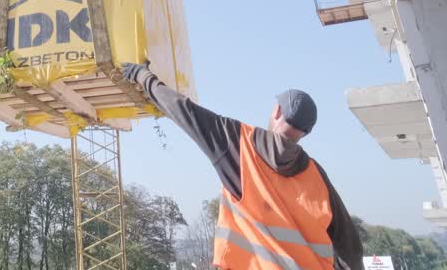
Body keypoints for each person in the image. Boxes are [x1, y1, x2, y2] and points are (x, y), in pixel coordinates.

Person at [122, 63, 364, 270]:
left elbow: (184, 111)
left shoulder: (239, 145)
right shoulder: (316, 175)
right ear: (306, 133)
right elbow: (349, 244)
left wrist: (143, 76)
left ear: (277, 111)